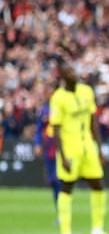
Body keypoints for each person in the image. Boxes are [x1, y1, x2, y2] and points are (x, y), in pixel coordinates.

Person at [48, 62, 109, 234]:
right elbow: (56, 128)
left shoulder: (86, 91)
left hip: (88, 147)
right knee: (67, 187)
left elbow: (93, 121)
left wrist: (100, 149)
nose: (73, 73)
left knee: (98, 185)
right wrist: (62, 156)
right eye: (68, 70)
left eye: (73, 69)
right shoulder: (58, 98)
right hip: (70, 149)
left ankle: (97, 231)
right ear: (62, 76)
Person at [34, 88, 62, 223]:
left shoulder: (62, 108)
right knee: (53, 182)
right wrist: (38, 144)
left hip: (61, 148)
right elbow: (39, 129)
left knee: (59, 180)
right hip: (49, 149)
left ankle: (63, 213)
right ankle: (60, 212)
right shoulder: (44, 110)